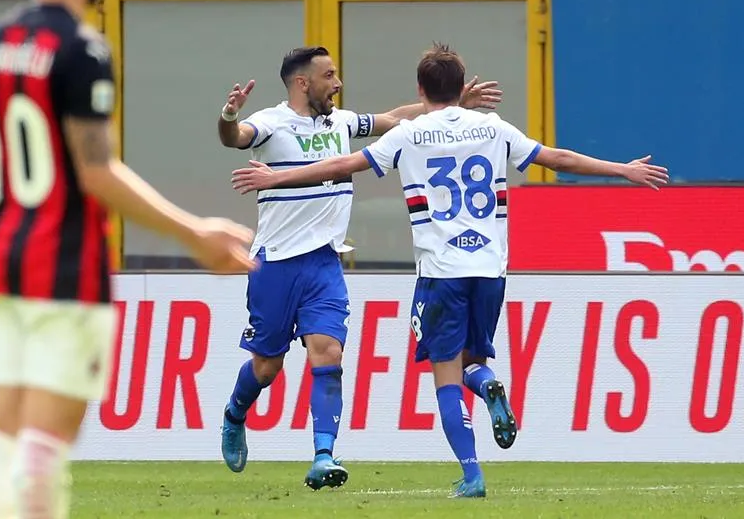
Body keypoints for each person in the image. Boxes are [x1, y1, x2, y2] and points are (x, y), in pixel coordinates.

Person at [230, 43, 668, 498]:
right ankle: (487, 383)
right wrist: (622, 170)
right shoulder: (494, 127)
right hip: (491, 269)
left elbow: (344, 164)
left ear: (421, 90)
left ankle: (472, 474)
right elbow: (558, 159)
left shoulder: (410, 135)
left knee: (446, 375)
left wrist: (276, 177)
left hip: (441, 271)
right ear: (461, 89)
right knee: (472, 361)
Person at [0, 0, 255, 519]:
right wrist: (195, 232)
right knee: (46, 441)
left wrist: (24, 213)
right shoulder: (82, 49)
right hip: (63, 263)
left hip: (2, 256)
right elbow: (96, 171)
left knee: (2, 428)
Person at [216, 45, 503, 489]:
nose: (338, 83)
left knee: (328, 353)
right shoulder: (272, 123)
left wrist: (451, 105)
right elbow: (235, 136)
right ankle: (235, 414)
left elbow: (395, 118)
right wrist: (229, 115)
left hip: (324, 263)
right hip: (275, 263)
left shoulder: (342, 122)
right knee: (267, 367)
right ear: (302, 83)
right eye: (329, 75)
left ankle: (323, 456)